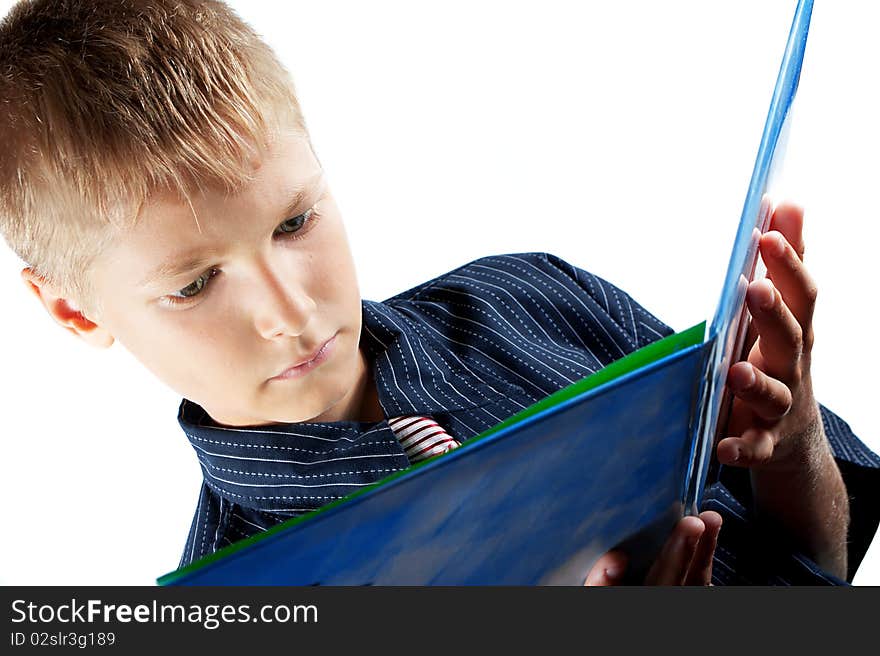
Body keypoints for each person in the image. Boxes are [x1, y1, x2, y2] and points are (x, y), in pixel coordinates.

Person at [0, 0, 876, 586]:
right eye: (194, 283)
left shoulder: (532, 296)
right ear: (75, 309)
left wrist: (793, 438)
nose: (290, 309)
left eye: (296, 222)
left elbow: (823, 569)